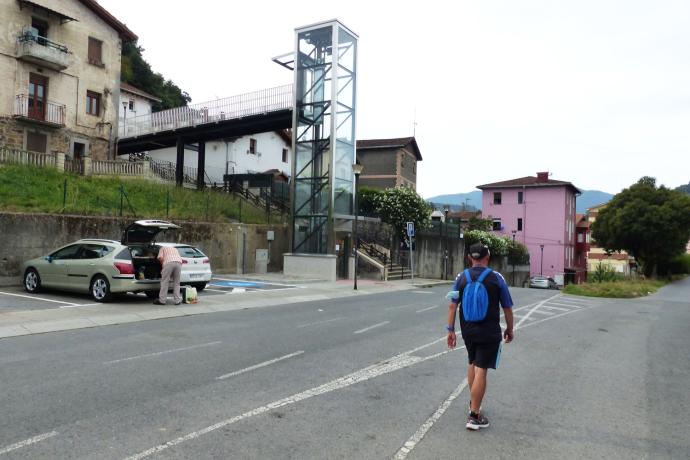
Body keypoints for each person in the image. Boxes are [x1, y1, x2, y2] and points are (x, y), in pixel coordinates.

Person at [446, 242, 514, 431]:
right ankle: (475, 415)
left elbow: (452, 305)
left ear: (470, 258)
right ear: (487, 257)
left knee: (472, 363)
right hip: (488, 331)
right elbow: (507, 307)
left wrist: (450, 330)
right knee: (481, 369)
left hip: (467, 330)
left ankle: (473, 403)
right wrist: (510, 328)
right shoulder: (496, 278)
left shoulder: (461, 277)